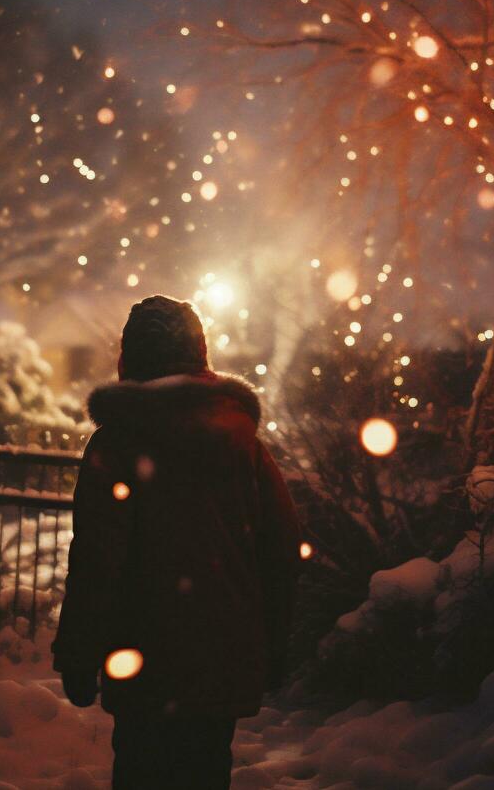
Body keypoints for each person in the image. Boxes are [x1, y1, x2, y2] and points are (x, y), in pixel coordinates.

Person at [53, 295, 303, 790]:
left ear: (129, 360)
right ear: (201, 357)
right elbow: (281, 547)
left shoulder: (118, 445)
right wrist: (272, 644)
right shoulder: (240, 441)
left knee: (143, 772)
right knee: (207, 769)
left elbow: (97, 562)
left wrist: (80, 654)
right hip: (221, 655)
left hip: (145, 658)